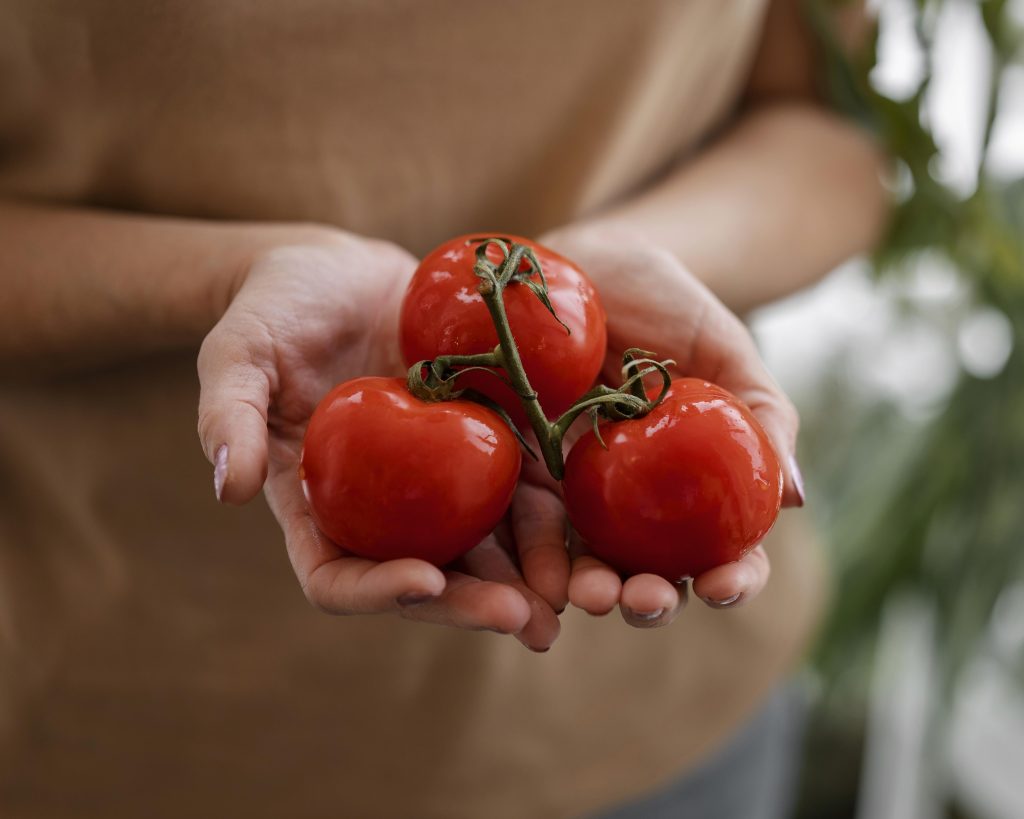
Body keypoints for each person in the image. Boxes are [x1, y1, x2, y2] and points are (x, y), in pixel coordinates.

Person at [0, 0, 887, 816]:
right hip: (124, 730)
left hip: (658, 733)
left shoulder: (550, 384)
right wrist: (225, 277)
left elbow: (833, 135)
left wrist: (633, 264)